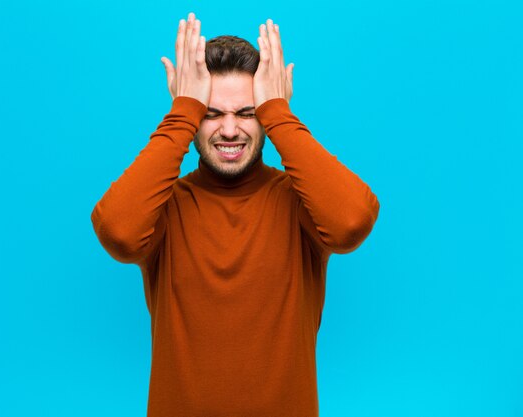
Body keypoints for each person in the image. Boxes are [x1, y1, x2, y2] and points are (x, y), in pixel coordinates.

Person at [91, 12, 380, 417]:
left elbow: (352, 222)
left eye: (246, 113)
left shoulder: (298, 202)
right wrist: (182, 112)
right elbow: (117, 232)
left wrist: (279, 113)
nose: (229, 130)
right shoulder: (166, 206)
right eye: (211, 114)